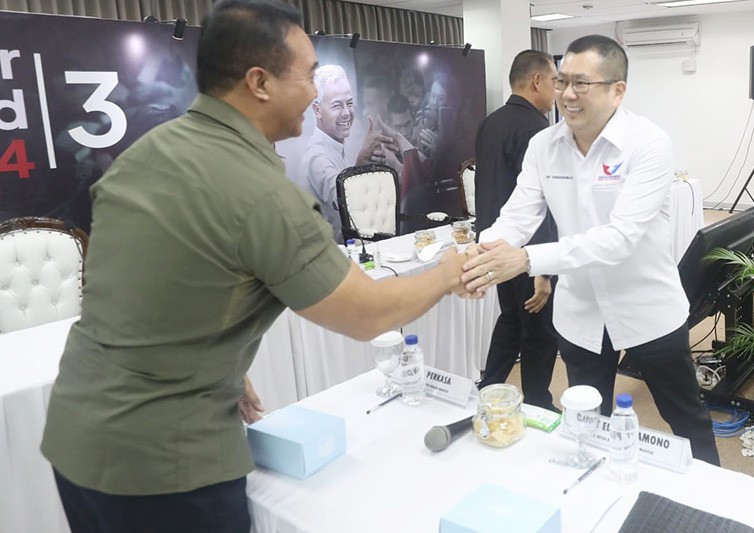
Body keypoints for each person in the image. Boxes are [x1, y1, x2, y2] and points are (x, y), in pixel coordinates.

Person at [40, 2, 467, 532]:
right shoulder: (260, 192)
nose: (315, 94)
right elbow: (367, 314)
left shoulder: (149, 153)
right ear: (259, 82)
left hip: (77, 439)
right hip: (164, 469)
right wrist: (448, 272)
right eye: (308, 76)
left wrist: (223, 364)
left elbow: (155, 280)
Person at [461, 35, 720, 465]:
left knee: (686, 420)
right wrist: (481, 255)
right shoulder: (544, 146)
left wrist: (527, 260)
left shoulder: (647, 143)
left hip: (647, 309)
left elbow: (618, 239)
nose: (567, 94)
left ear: (618, 90)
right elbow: (518, 216)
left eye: (582, 84)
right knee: (587, 422)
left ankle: (715, 511)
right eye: (562, 81)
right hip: (580, 312)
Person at [474, 50, 560, 410]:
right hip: (525, 252)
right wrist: (543, 269)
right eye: (556, 82)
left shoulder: (489, 123)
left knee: (510, 319)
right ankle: (538, 402)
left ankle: (487, 388)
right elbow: (541, 206)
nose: (558, 92)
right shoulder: (539, 132)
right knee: (539, 332)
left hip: (495, 246)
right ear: (537, 81)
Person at [299, 64, 394, 242]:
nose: (347, 113)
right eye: (336, 106)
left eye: (349, 103)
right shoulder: (317, 156)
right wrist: (361, 161)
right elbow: (348, 201)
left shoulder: (334, 147)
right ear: (317, 110)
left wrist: (363, 163)